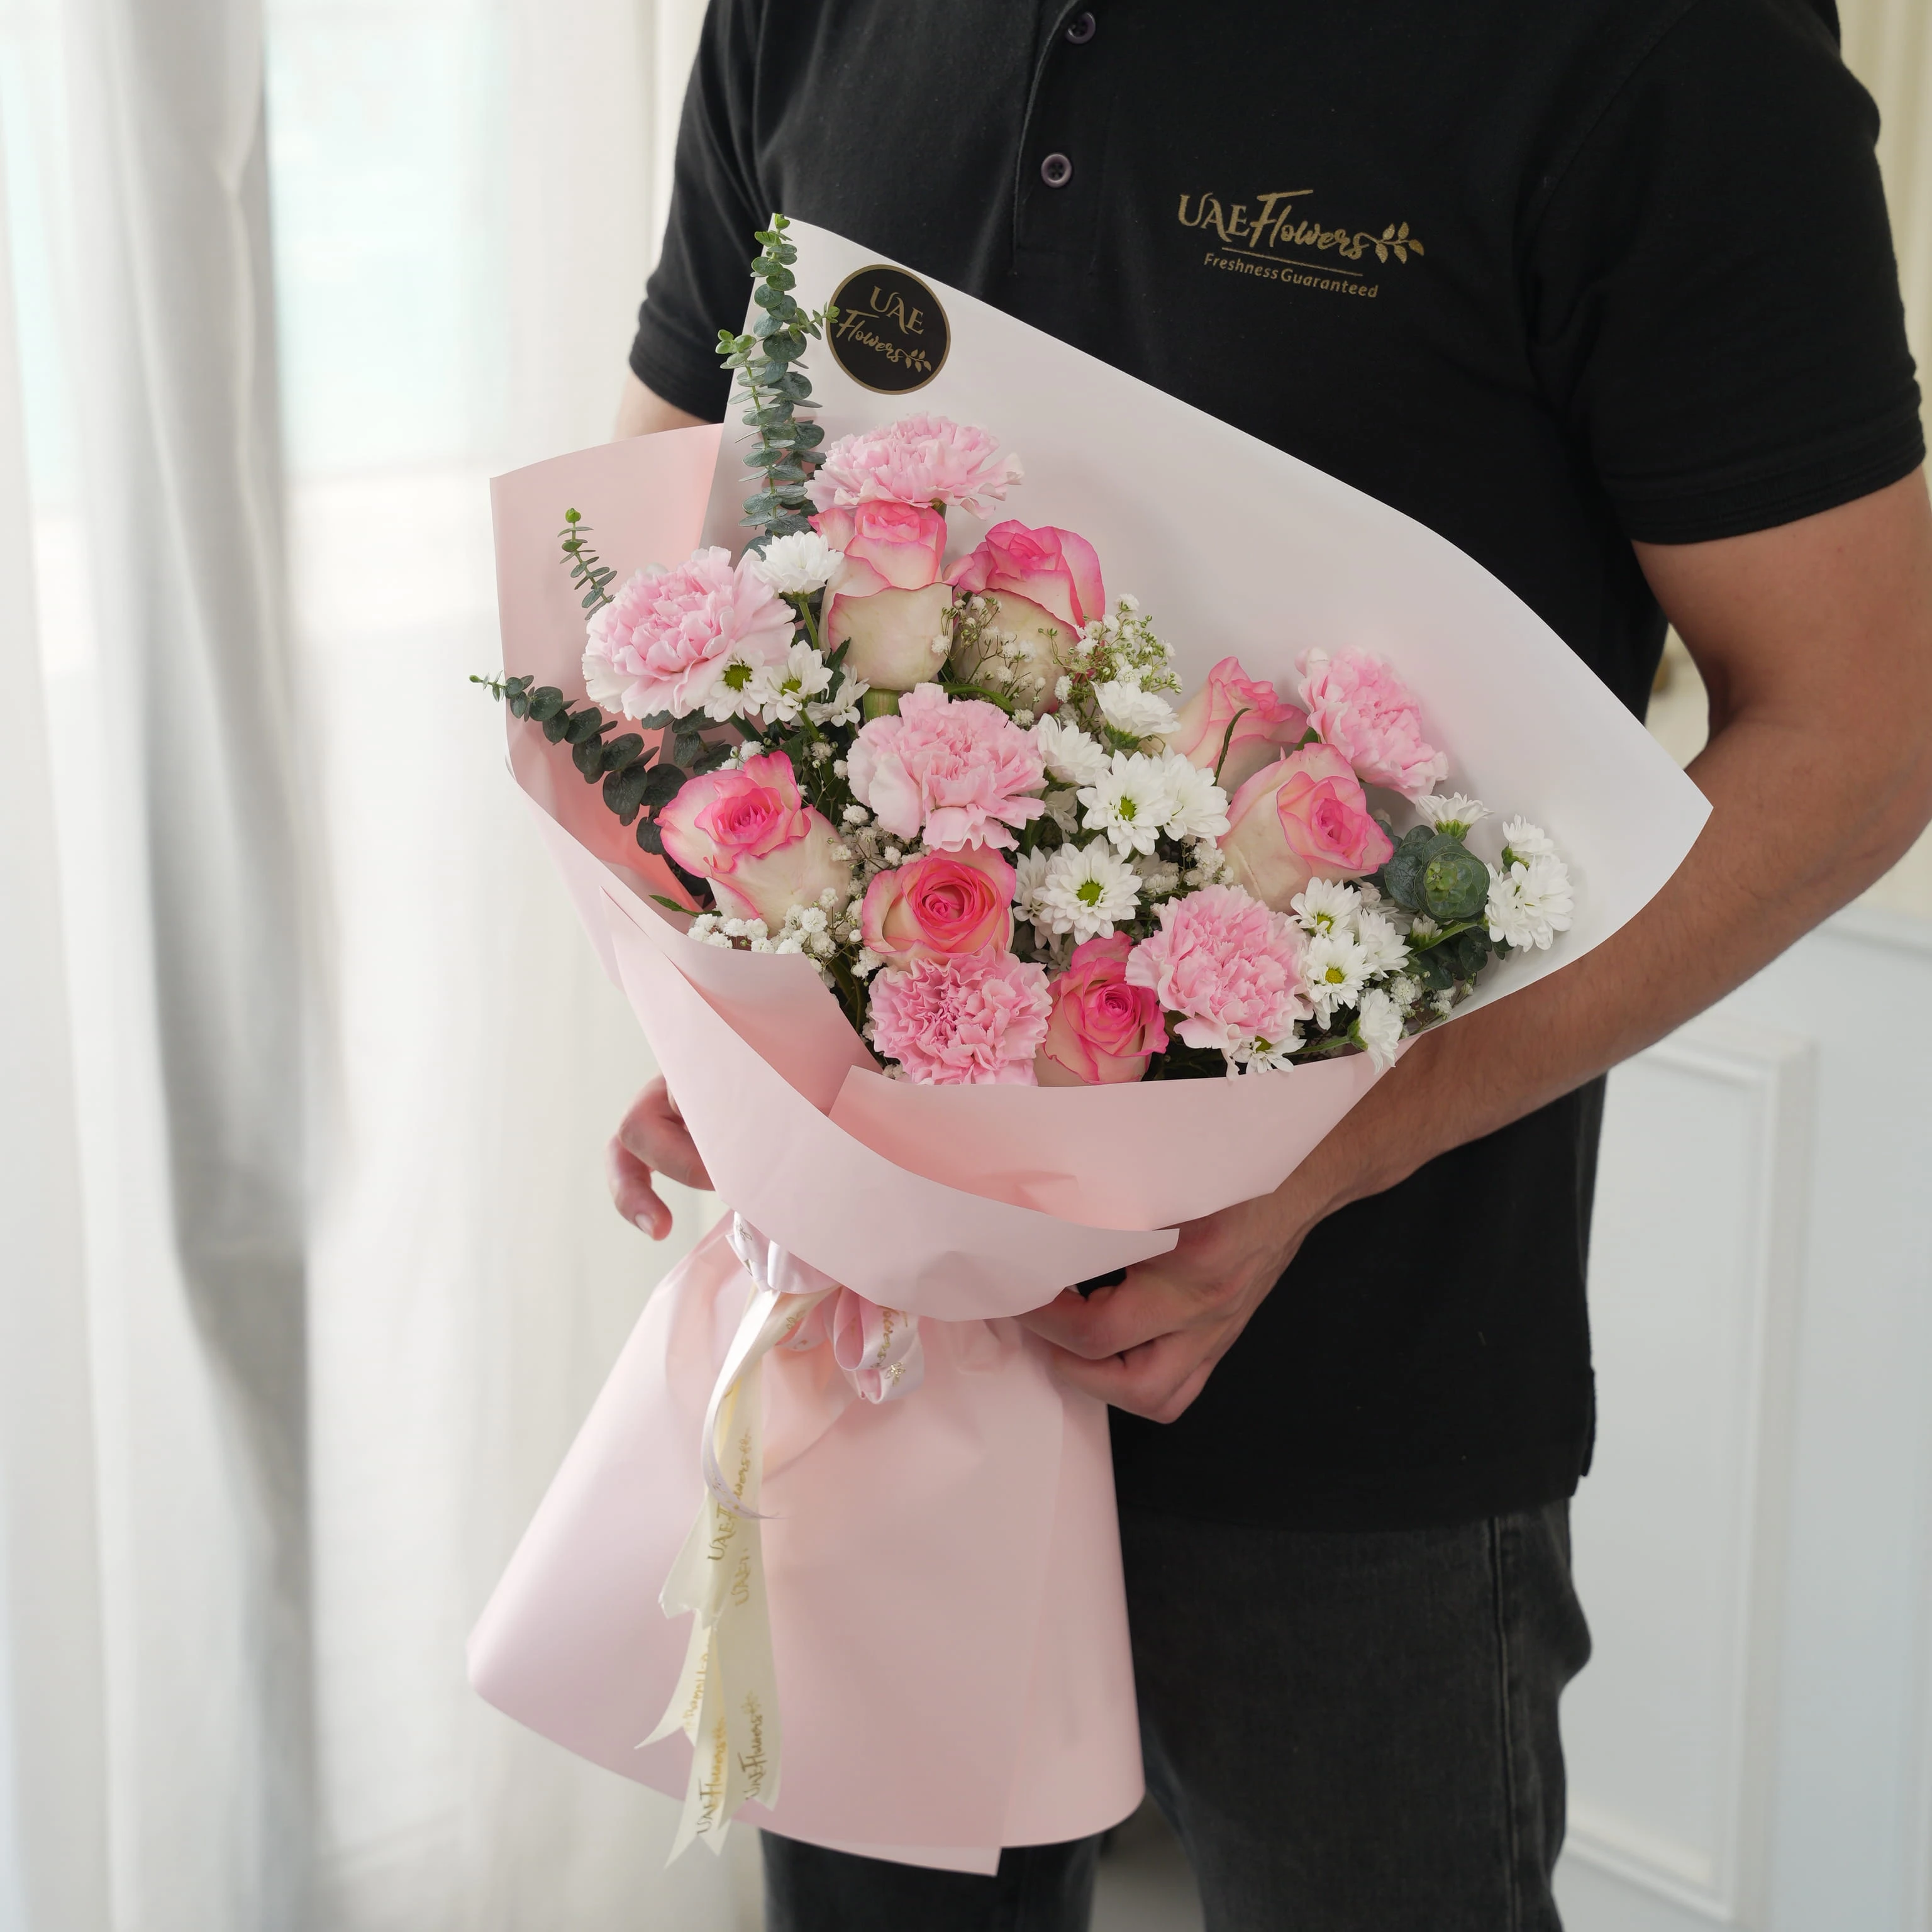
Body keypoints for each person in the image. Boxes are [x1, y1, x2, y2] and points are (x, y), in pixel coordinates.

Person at [604, 3, 1932, 1926]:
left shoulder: (1664, 47)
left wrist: (1342, 1145)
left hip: (1361, 1406)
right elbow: (664, 545)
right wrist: (733, 997)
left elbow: (1862, 727)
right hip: (872, 1348)